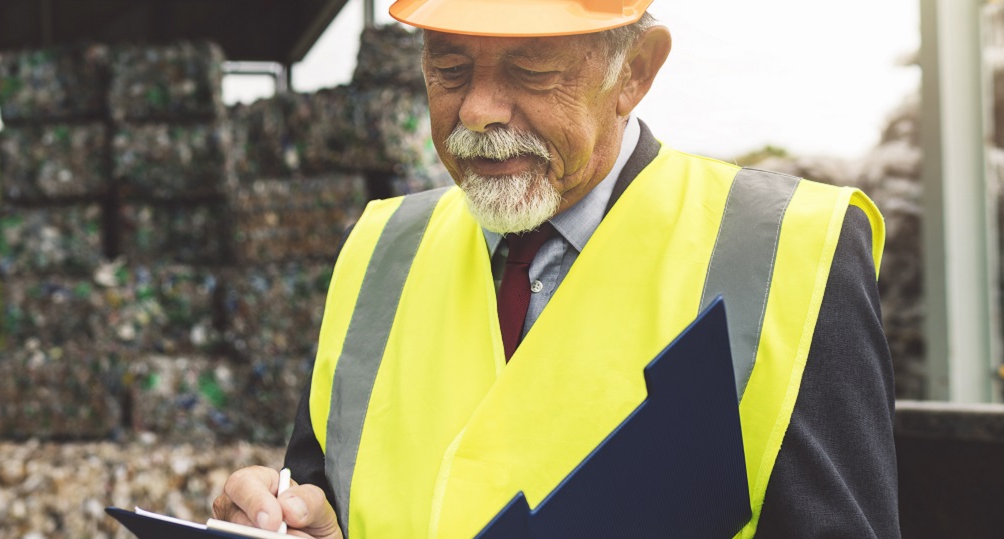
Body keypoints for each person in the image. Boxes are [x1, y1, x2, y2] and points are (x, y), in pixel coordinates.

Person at [212, 1, 899, 537]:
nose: (477, 110)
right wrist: (300, 523)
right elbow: (325, 494)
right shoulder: (378, 248)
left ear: (634, 71)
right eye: (448, 68)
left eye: (529, 70)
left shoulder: (786, 249)